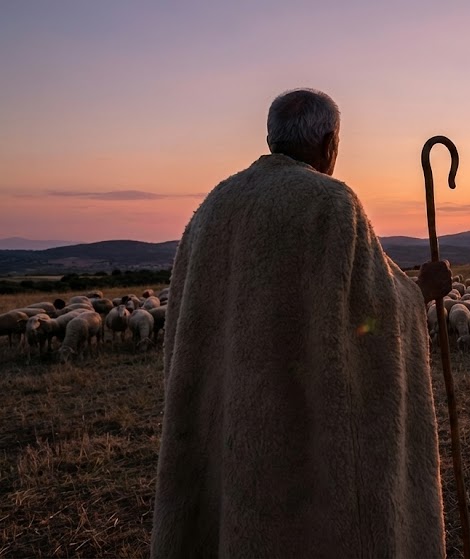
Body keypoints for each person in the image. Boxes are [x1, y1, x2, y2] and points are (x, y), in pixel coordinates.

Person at [151, 88, 451, 558]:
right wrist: (421, 293)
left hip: (232, 418)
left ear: (271, 138)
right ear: (330, 142)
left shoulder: (213, 208)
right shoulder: (331, 205)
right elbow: (375, 311)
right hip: (296, 410)